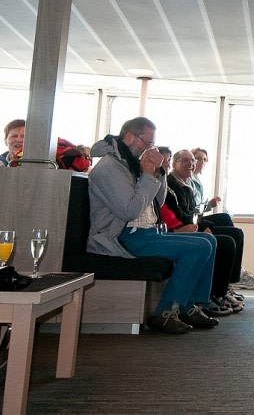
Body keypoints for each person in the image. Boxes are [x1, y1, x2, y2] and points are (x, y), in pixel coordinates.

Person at [87, 117, 220, 333]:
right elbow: (129, 211)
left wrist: (159, 173)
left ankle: (188, 305)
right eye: (147, 143)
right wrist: (148, 176)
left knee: (208, 240)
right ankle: (165, 312)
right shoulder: (109, 168)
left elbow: (156, 203)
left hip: (147, 232)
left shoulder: (131, 162)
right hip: (122, 236)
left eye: (152, 144)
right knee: (199, 246)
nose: (150, 149)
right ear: (129, 137)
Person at [167, 149, 244, 314]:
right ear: (174, 164)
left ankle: (226, 286)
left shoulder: (187, 183)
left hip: (191, 223)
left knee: (234, 230)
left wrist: (203, 223)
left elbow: (193, 211)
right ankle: (215, 293)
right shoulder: (172, 184)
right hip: (180, 228)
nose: (193, 164)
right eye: (186, 160)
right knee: (226, 242)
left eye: (193, 160)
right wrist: (203, 226)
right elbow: (184, 216)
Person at [191, 147, 254, 290]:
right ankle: (235, 275)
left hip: (197, 218)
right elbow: (191, 209)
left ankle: (235, 275)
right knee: (231, 236)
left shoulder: (197, 181)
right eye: (198, 158)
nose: (201, 162)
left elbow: (196, 208)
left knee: (226, 219)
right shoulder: (187, 180)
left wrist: (208, 205)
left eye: (204, 160)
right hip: (191, 222)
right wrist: (208, 205)